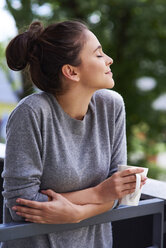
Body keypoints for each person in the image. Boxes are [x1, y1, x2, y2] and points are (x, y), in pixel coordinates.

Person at [1, 20, 146, 248]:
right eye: (98, 55)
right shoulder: (31, 113)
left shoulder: (112, 106)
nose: (109, 59)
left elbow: (121, 191)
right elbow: (21, 206)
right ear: (71, 71)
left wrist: (75, 215)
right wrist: (99, 194)